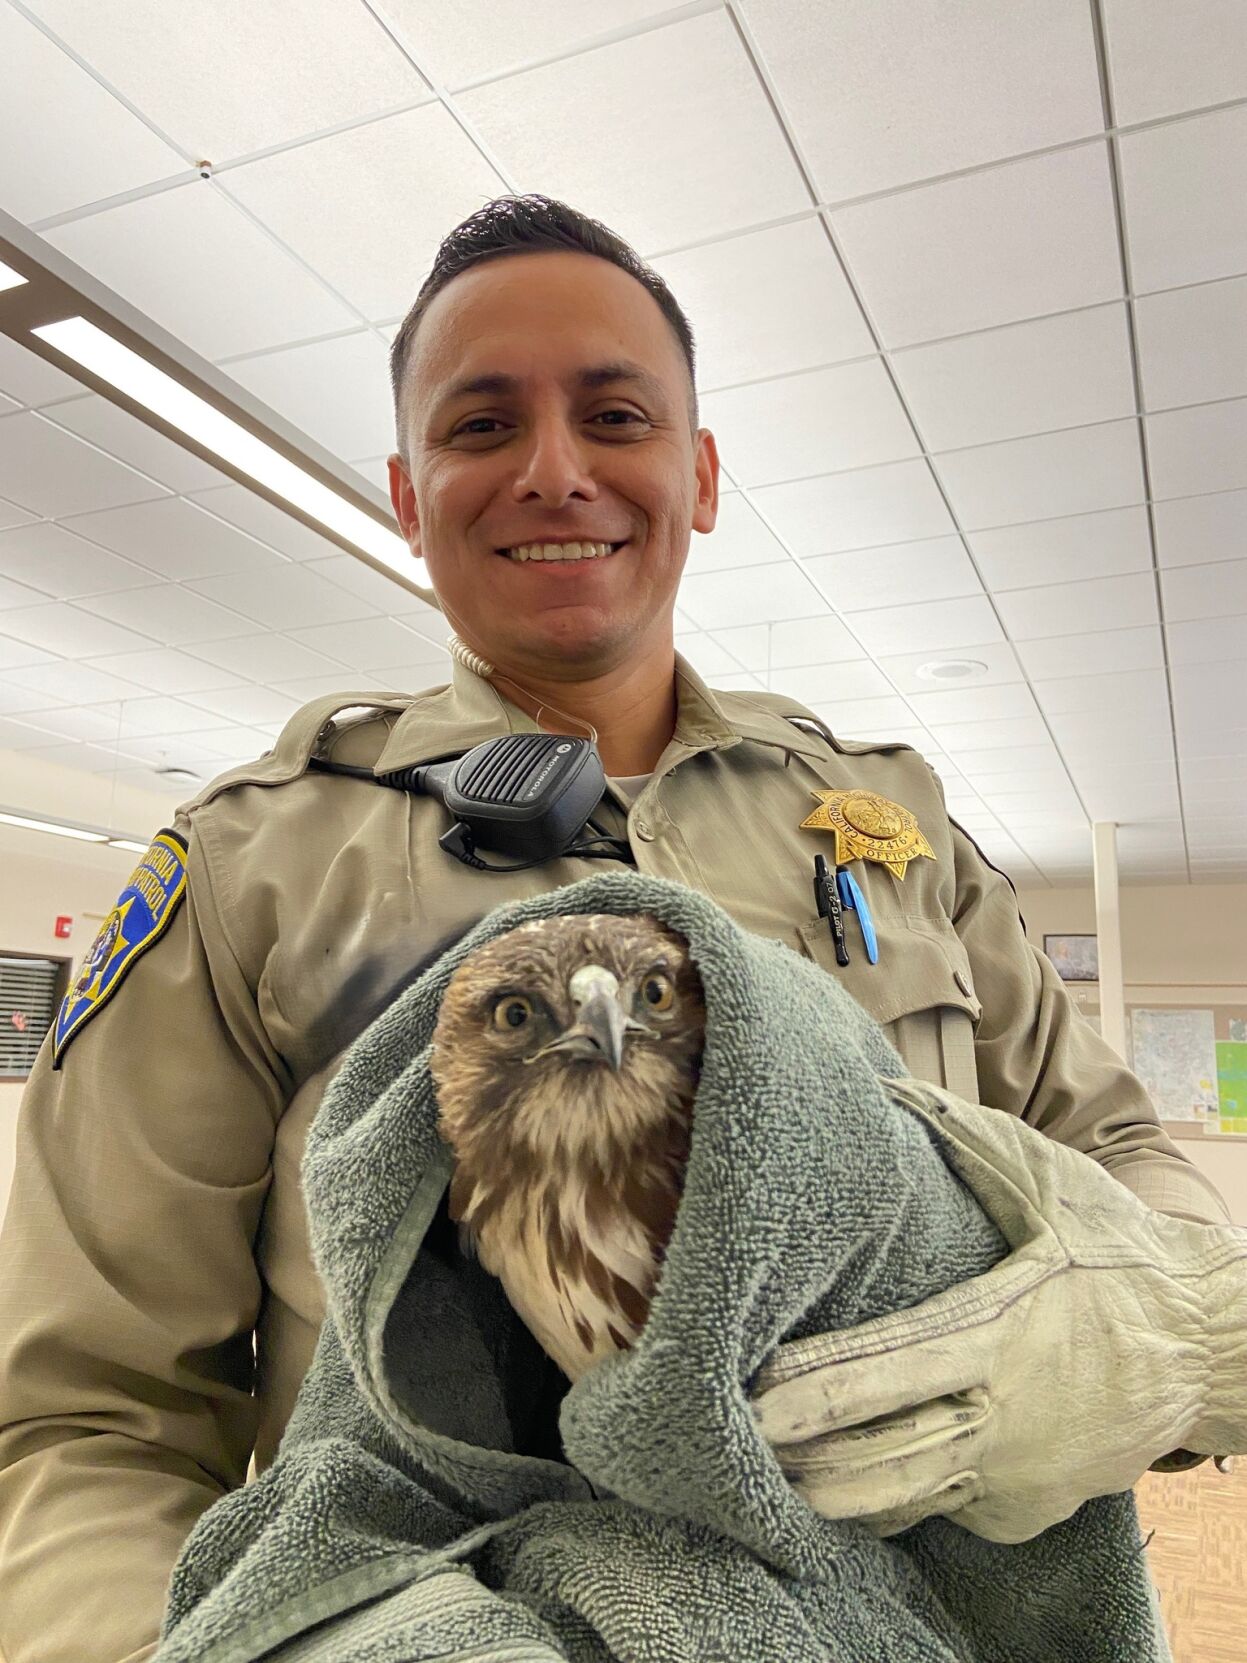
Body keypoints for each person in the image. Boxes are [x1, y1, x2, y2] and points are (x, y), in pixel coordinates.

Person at [0, 194, 1237, 1663]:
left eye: (616, 414)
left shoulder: (890, 829)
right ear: (408, 494)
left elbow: (1112, 1149)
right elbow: (87, 1417)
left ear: (698, 473)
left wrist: (1159, 1335)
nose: (554, 471)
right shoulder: (256, 868)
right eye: (480, 428)